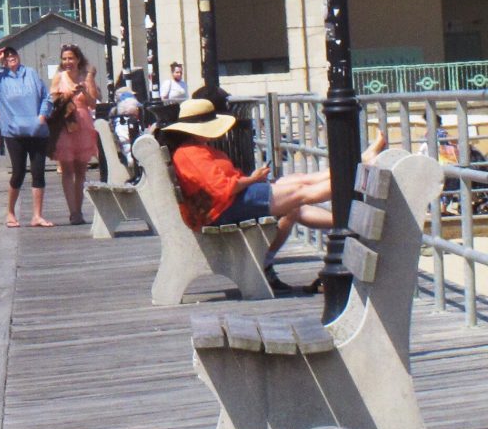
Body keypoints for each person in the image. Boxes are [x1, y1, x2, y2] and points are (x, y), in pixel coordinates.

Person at [161, 98, 388, 291]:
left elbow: (220, 185)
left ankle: (358, 166)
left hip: (225, 204)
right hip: (225, 207)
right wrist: (253, 179)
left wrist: (253, 180)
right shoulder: (191, 153)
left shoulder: (192, 150)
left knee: (297, 182)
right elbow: (222, 188)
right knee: (300, 192)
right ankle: (360, 176)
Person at [0, 46, 52, 228]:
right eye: (6, 56)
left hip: (37, 130)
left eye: (13, 54)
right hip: (14, 132)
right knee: (18, 172)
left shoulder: (31, 73)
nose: (10, 57)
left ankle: (37, 215)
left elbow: (46, 97)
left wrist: (42, 116)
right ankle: (10, 212)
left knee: (38, 171)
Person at [48, 45, 102, 225]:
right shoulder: (59, 78)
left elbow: (94, 103)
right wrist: (67, 95)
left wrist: (85, 88)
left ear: (78, 59)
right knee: (67, 170)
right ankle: (72, 211)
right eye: (64, 59)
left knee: (81, 171)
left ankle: (79, 210)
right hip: (65, 125)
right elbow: (52, 102)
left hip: (84, 124)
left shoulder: (85, 77)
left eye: (70, 58)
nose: (67, 62)